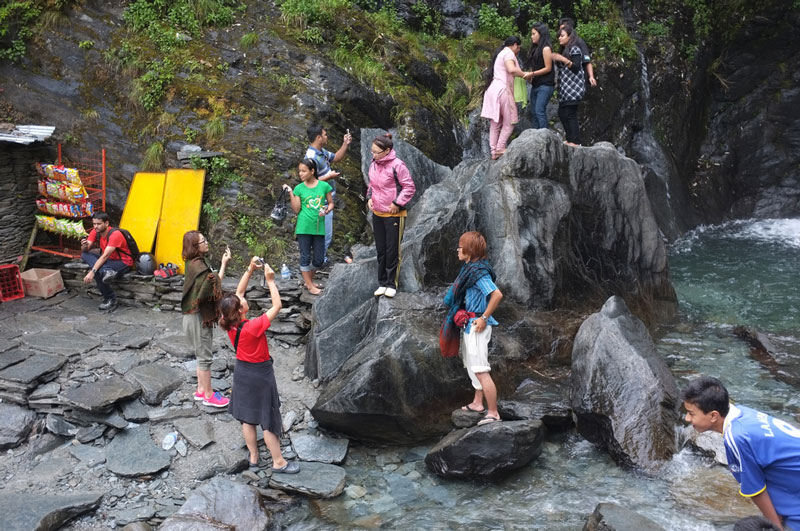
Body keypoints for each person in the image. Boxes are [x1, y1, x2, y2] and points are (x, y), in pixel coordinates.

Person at [682, 376, 800, 531]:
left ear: (713, 416)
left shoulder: (736, 438)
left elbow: (756, 490)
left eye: (691, 413)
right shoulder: (742, 412)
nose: (687, 418)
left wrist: (776, 528)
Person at [218, 257, 299, 474]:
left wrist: (250, 269)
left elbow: (239, 292)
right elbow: (277, 306)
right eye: (240, 300)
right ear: (241, 311)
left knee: (247, 416)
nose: (241, 296)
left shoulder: (229, 324)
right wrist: (270, 280)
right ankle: (278, 462)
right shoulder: (254, 326)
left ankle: (254, 457)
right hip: (261, 375)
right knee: (268, 416)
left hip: (242, 372)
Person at [440, 231, 503, 426]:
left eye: (461, 246)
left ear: (470, 249)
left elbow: (497, 295)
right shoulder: (470, 269)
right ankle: (478, 403)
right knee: (472, 366)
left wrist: (484, 318)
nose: (458, 249)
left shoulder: (479, 273)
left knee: (481, 369)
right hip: (470, 324)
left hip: (477, 325)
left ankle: (493, 412)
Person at [181, 231, 231, 408]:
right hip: (198, 318)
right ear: (196, 246)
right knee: (204, 357)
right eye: (203, 241)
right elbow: (214, 285)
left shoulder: (192, 263)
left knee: (199, 354)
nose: (206, 242)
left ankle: (201, 390)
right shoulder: (200, 268)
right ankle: (209, 395)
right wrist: (224, 264)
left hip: (190, 316)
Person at [367, 132, 416, 298]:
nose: (373, 155)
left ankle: (391, 283)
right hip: (377, 212)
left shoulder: (398, 165)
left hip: (394, 214)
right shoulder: (373, 164)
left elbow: (409, 187)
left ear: (387, 151)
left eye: (376, 152)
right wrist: (369, 198)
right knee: (381, 250)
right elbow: (371, 185)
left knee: (392, 250)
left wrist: (397, 203)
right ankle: (381, 282)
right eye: (371, 151)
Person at [282, 158, 333, 295]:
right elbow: (297, 209)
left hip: (318, 226)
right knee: (305, 256)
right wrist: (291, 193)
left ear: (312, 171)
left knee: (319, 259)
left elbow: (331, 202)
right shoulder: (299, 188)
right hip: (304, 226)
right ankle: (310, 286)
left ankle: (308, 281)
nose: (301, 174)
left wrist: (327, 210)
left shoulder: (323, 186)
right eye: (300, 171)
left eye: (304, 171)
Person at [305, 124, 353, 264]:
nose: (327, 137)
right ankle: (319, 262)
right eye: (325, 135)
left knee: (325, 234)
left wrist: (345, 144)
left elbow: (336, 158)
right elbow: (309, 182)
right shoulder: (311, 157)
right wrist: (329, 176)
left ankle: (319, 260)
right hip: (319, 202)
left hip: (327, 199)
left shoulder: (321, 152)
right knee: (324, 235)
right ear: (319, 137)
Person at [481, 36, 533, 160]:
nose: (518, 50)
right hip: (503, 90)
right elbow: (511, 69)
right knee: (510, 121)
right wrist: (525, 74)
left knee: (495, 123)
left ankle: (493, 151)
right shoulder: (509, 53)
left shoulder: (501, 53)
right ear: (515, 45)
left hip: (493, 90)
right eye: (518, 48)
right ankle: (500, 148)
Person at [81, 211, 134, 311]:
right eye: (94, 224)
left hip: (123, 262)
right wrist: (84, 246)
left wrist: (93, 271)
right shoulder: (95, 232)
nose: (96, 226)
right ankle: (107, 271)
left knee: (98, 273)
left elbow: (105, 256)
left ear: (106, 223)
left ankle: (110, 299)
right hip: (110, 261)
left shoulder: (115, 234)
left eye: (99, 224)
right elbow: (85, 250)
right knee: (85, 254)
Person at [551, 25, 586, 146]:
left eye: (562, 36)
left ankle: (576, 141)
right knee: (562, 112)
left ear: (570, 36)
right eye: (559, 36)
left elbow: (576, 67)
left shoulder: (575, 49)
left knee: (571, 114)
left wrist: (562, 59)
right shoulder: (564, 50)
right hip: (564, 89)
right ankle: (570, 138)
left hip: (574, 88)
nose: (559, 38)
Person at [526, 22, 555, 129]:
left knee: (539, 111)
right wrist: (531, 76)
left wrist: (532, 73)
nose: (531, 36)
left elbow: (548, 68)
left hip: (545, 85)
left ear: (541, 34)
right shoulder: (535, 49)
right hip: (536, 84)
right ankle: (535, 137)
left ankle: (544, 137)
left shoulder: (546, 48)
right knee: (533, 112)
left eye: (534, 34)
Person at [558, 18, 597, 88]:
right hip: (566, 82)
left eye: (563, 28)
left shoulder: (578, 42)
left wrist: (591, 77)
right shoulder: (563, 44)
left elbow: (587, 61)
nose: (561, 31)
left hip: (578, 81)